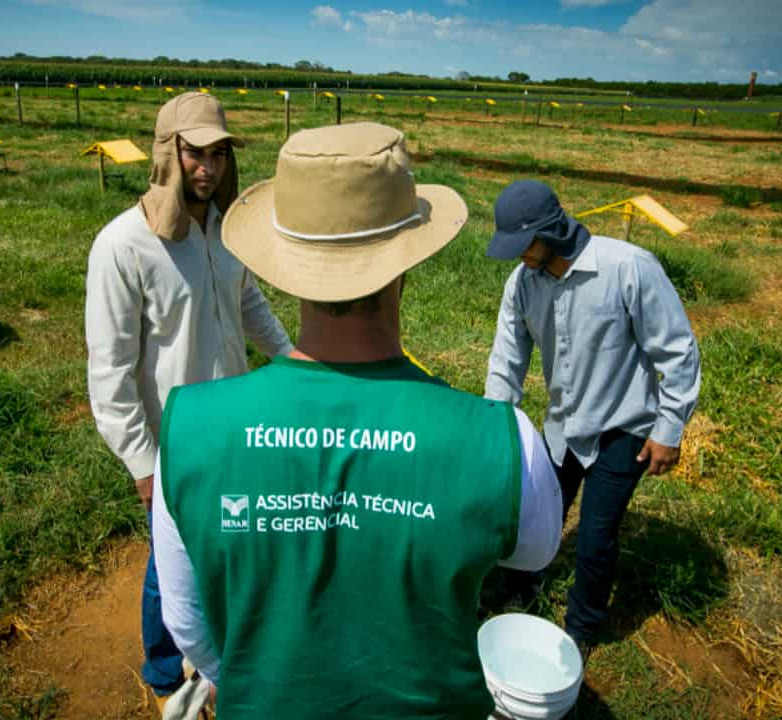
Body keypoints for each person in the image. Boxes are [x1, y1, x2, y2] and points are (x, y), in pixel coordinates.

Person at [150, 122, 563, 719]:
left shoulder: (189, 430)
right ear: (406, 267)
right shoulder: (502, 440)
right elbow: (534, 551)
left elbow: (186, 622)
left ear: (281, 264)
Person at [84, 91, 293, 700]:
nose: (209, 167)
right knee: (168, 566)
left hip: (233, 423)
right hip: (173, 441)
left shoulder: (226, 233)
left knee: (226, 542)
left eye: (220, 153)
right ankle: (160, 669)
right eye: (196, 153)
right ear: (167, 154)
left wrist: (289, 358)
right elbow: (111, 372)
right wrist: (143, 464)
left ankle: (216, 651)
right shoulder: (124, 246)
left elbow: (246, 300)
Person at [484, 179, 701, 663]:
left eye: (524, 246)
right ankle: (521, 590)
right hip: (562, 425)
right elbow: (507, 356)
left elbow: (677, 349)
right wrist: (497, 424)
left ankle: (581, 628)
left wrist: (669, 429)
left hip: (623, 428)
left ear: (552, 233)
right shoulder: (523, 283)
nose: (519, 257)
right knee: (537, 515)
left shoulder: (628, 268)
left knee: (596, 535)